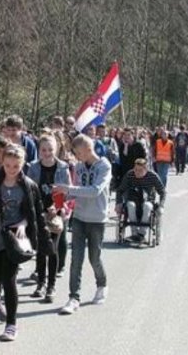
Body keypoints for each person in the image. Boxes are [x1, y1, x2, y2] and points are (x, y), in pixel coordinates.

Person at [0, 145, 54, 340]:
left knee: (9, 280)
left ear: (22, 164)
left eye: (16, 166)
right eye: (8, 165)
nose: (11, 169)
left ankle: (11, 324)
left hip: (14, 238)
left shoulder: (28, 185)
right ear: (2, 163)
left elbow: (33, 214)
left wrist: (30, 231)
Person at [53, 134, 111, 315]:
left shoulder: (104, 166)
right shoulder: (78, 167)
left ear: (88, 149)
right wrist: (61, 195)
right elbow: (77, 190)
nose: (77, 156)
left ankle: (102, 284)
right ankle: (73, 297)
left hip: (97, 219)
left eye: (78, 152)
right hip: (79, 217)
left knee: (94, 258)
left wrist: (69, 189)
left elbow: (95, 191)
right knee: (76, 259)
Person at [26, 134, 74, 303]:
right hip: (39, 213)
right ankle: (41, 283)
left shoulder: (63, 167)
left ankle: (51, 285)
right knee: (40, 249)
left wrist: (60, 208)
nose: (46, 153)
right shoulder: (33, 167)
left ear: (57, 149)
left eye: (50, 149)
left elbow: (67, 192)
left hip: (56, 213)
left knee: (52, 249)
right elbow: (29, 190)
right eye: (43, 149)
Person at [115, 158, 165, 242]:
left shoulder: (152, 176)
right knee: (130, 205)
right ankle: (134, 234)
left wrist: (161, 206)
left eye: (140, 170)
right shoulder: (130, 175)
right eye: (135, 169)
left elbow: (163, 192)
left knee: (147, 206)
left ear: (146, 169)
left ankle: (141, 234)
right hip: (133, 200)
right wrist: (118, 203)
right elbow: (120, 190)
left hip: (148, 201)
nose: (137, 172)